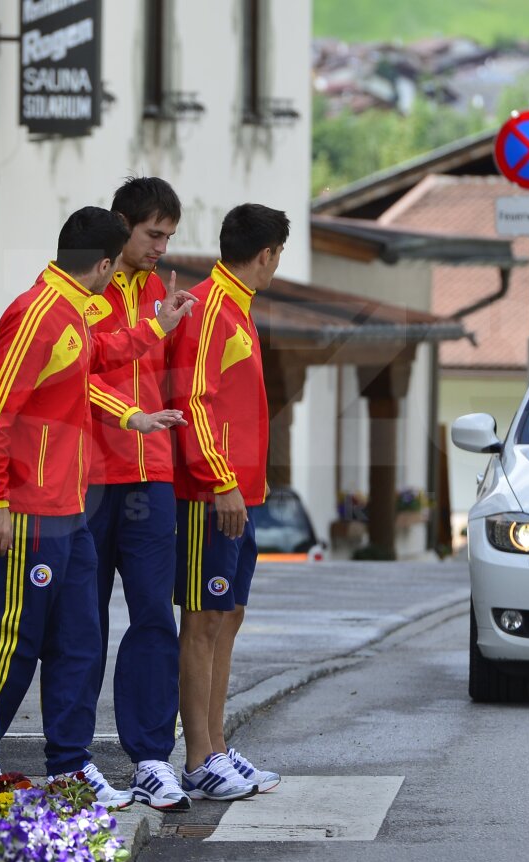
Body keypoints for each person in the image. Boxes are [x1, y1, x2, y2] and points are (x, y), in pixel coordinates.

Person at [0, 206, 196, 807]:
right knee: (14, 639)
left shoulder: (69, 309)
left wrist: (155, 331)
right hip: (29, 509)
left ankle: (69, 766)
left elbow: (93, 362)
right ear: (106, 264)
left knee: (79, 639)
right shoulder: (35, 314)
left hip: (69, 507)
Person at [169, 203, 289, 800]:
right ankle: (197, 758)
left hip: (239, 495)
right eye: (276, 257)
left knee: (228, 616)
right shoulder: (210, 308)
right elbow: (194, 402)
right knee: (202, 618)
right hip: (210, 494)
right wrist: (221, 481)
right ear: (266, 254)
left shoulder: (237, 307)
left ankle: (216, 744)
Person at [84, 177, 190, 811]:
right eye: (153, 234)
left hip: (151, 475)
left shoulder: (158, 289)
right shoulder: (90, 285)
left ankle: (150, 757)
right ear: (121, 226)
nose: (160, 247)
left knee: (154, 616)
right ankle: (74, 760)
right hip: (92, 478)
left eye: (169, 236)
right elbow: (86, 368)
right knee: (81, 623)